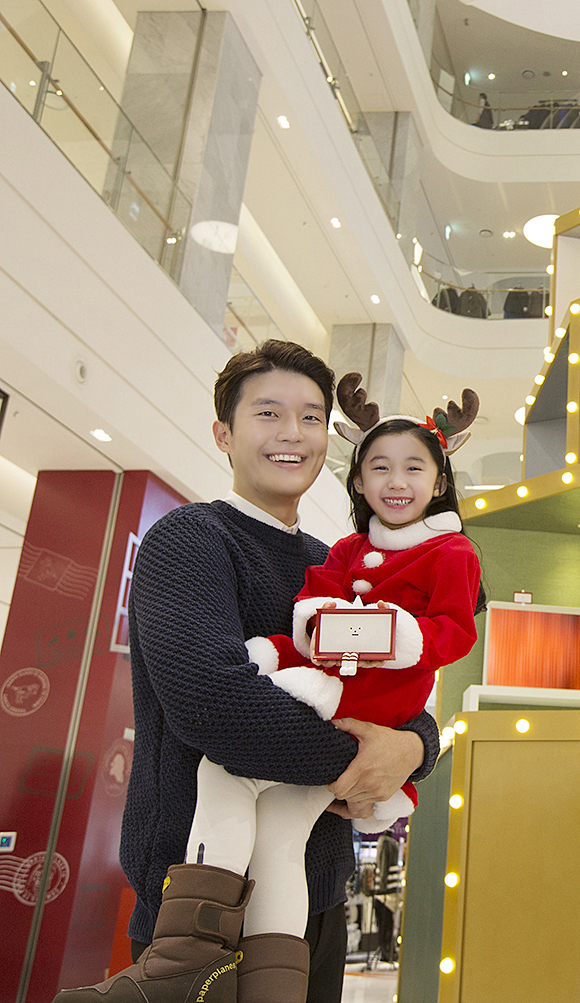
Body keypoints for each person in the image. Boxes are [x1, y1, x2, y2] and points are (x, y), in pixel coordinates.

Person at [54, 342, 441, 1003]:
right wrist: (366, 759)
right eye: (268, 413)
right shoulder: (191, 540)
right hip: (202, 914)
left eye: (311, 417)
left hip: (316, 902)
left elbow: (398, 689)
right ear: (224, 434)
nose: (293, 433)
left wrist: (414, 747)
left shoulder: (338, 567)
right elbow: (217, 706)